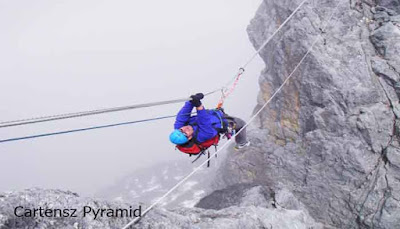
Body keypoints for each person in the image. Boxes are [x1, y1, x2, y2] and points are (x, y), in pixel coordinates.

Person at [169, 93, 250, 151]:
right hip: (222, 123)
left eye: (181, 130)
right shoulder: (202, 136)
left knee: (218, 113)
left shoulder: (179, 127)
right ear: (189, 137)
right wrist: (198, 106)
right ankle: (241, 143)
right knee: (241, 124)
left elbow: (182, 116)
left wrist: (191, 102)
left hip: (213, 115)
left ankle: (219, 113)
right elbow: (204, 122)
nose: (185, 129)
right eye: (185, 133)